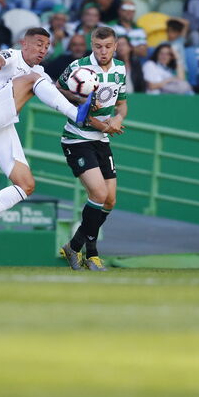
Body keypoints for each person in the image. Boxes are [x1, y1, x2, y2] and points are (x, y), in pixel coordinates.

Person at [0, 28, 97, 247]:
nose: (43, 49)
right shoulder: (13, 55)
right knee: (33, 79)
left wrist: (80, 98)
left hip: (0, 127)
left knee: (26, 185)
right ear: (24, 44)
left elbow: (54, 91)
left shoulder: (39, 73)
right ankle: (76, 117)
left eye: (46, 46)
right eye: (38, 44)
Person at [56, 26, 128, 271]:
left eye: (108, 46)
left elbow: (122, 104)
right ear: (92, 44)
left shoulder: (120, 68)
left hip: (101, 139)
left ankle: (74, 246)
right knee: (98, 194)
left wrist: (117, 120)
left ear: (115, 46)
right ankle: (93, 254)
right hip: (77, 138)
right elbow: (56, 88)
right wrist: (81, 102)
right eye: (98, 46)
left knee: (110, 200)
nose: (103, 51)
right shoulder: (79, 67)